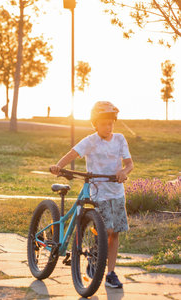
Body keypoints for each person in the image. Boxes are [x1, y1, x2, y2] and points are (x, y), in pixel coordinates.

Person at [49, 101, 134, 289]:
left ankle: (110, 273)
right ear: (95, 124)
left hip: (116, 192)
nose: (109, 126)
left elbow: (129, 164)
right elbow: (73, 153)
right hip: (98, 192)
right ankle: (96, 255)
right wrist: (59, 166)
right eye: (104, 123)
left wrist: (123, 172)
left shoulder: (119, 139)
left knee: (115, 233)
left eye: (111, 122)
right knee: (106, 230)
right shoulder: (90, 140)